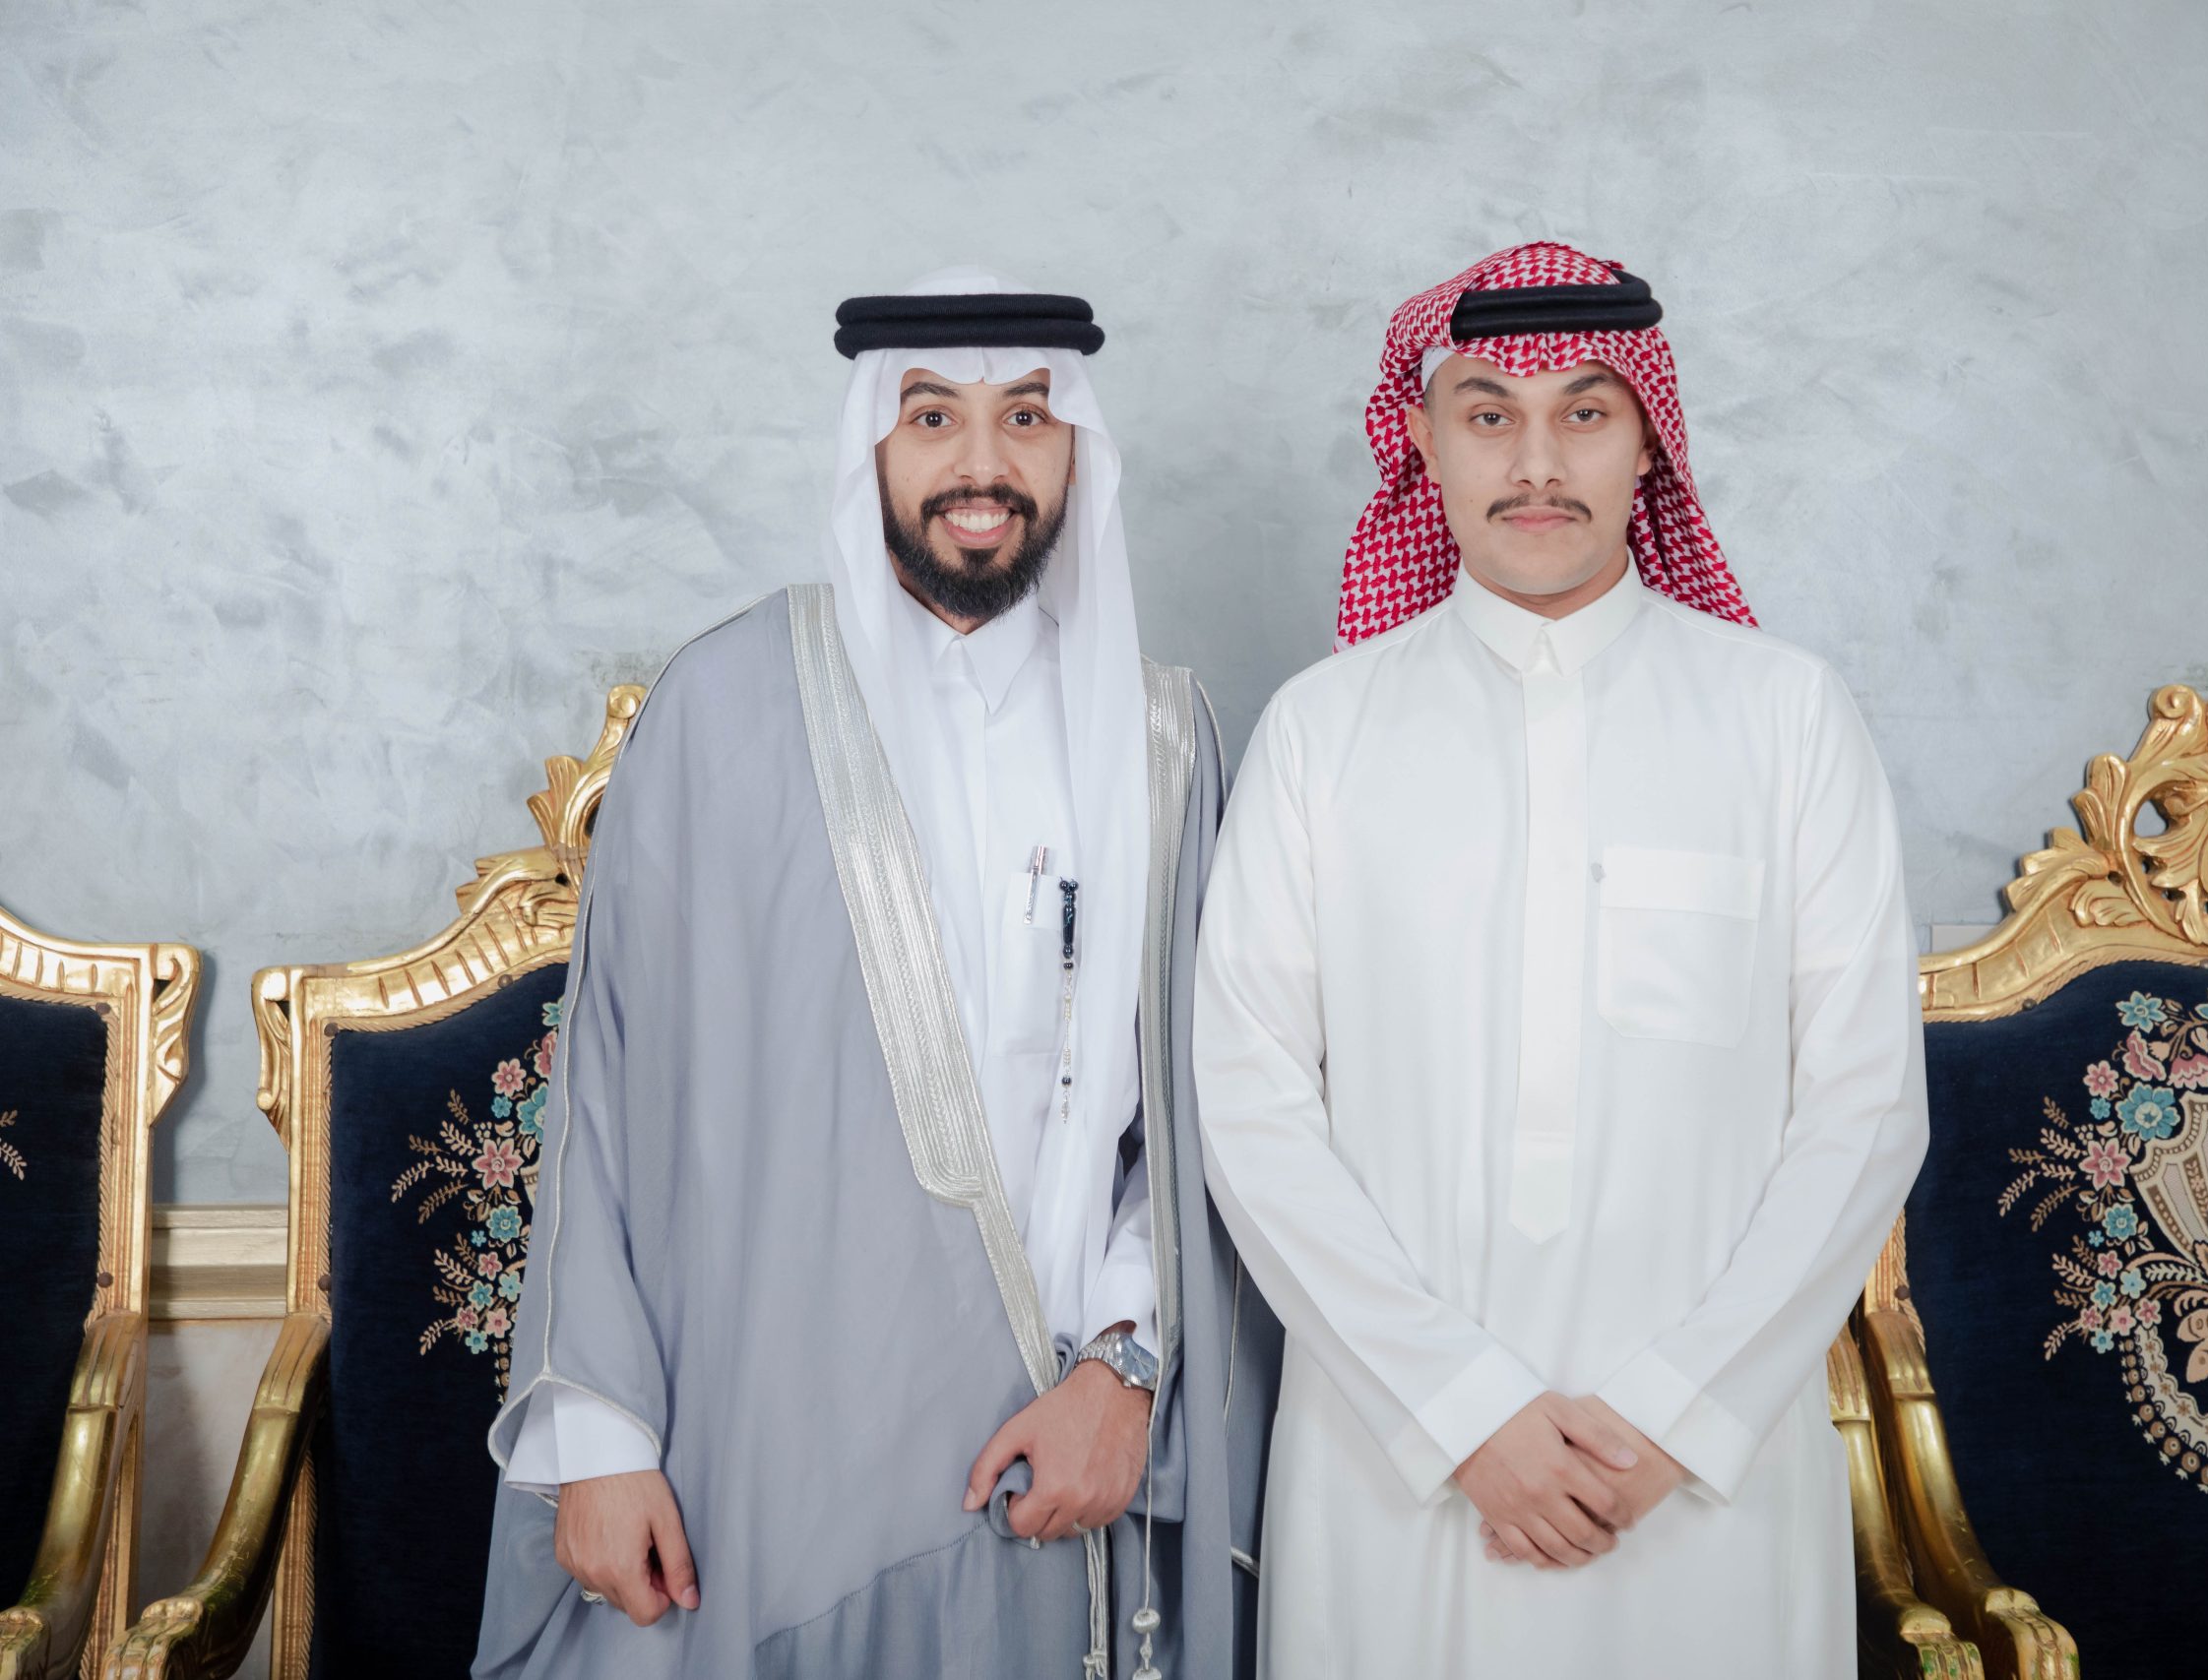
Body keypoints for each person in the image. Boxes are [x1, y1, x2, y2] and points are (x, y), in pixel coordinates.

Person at [473, 269, 1278, 1680]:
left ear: (1076, 447)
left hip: (1061, 1449)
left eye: (1026, 416)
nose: (983, 465)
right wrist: (597, 1438)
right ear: (873, 446)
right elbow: (606, 1085)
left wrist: (1126, 1370)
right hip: (762, 1448)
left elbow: (1200, 1117)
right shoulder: (721, 711)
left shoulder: (1161, 741)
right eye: (933, 417)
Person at [1191, 240, 1929, 1676]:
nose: (1536, 463)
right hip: (1396, 1463)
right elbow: (1250, 1108)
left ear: (1650, 439)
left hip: (1705, 1482)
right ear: (1422, 444)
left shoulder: (1785, 719)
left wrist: (1672, 1416)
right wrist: (1462, 1412)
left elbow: (1864, 1109)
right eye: (1489, 415)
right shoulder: (1320, 734)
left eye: (1584, 412)